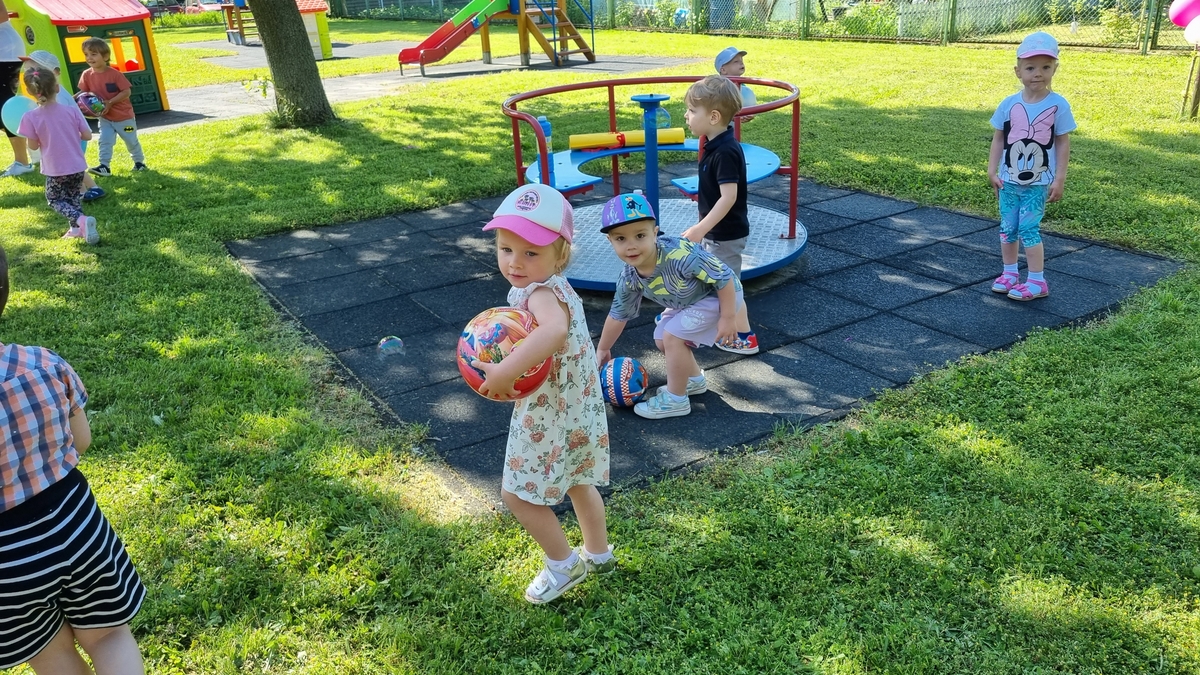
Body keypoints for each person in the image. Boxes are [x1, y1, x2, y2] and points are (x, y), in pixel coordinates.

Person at [0, 243, 149, 675]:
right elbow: (80, 440)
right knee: (109, 636)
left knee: (52, 654)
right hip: (77, 526)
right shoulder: (42, 364)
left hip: (8, 564)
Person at [471, 183, 615, 604]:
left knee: (516, 494)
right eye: (505, 249)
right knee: (578, 480)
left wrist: (505, 371)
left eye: (531, 253)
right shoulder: (548, 287)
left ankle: (563, 565)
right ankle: (598, 554)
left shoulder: (543, 294)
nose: (515, 262)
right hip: (575, 407)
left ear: (560, 255)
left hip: (550, 413)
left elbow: (553, 332)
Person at [596, 192, 744, 420]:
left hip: (719, 295)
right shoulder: (629, 277)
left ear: (655, 233)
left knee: (673, 336)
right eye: (621, 239)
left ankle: (676, 400)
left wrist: (728, 317)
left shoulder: (680, 255)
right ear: (610, 241)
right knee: (661, 337)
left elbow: (723, 277)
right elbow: (618, 314)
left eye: (640, 235)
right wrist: (603, 349)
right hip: (691, 300)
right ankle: (693, 380)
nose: (631, 246)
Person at [987, 31, 1075, 301]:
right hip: (1008, 180)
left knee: (1028, 229)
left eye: (1046, 67)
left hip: (1037, 183)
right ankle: (1010, 273)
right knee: (1007, 228)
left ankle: (1037, 281)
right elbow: (999, 138)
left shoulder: (1058, 106)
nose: (1038, 74)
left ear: (1055, 69)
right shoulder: (1008, 104)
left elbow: (1062, 143)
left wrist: (1059, 178)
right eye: (1030, 68)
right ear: (1018, 71)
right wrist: (992, 170)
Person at [680, 75, 758, 355]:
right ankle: (713, 327)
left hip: (725, 235)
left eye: (692, 110)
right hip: (718, 233)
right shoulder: (715, 145)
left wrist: (700, 228)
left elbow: (729, 197)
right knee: (718, 284)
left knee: (729, 289)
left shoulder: (724, 151)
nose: (686, 115)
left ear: (713, 117)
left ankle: (744, 336)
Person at [17, 67, 99, 243]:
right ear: (57, 87)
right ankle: (76, 230)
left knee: (54, 200)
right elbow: (87, 135)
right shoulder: (72, 111)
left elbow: (33, 146)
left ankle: (81, 220)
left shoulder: (30, 117)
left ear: (31, 92)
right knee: (73, 197)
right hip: (77, 165)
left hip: (56, 168)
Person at [19, 50, 106, 202]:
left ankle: (91, 189)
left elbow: (61, 121)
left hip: (70, 138)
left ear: (53, 72)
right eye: (29, 69)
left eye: (35, 69)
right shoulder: (54, 92)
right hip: (68, 138)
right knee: (73, 168)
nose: (32, 73)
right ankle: (83, 192)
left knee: (72, 167)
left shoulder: (58, 97)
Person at [78, 37, 146, 176]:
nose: (89, 58)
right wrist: (70, 100)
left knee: (131, 140)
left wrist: (110, 102)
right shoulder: (86, 74)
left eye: (93, 54)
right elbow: (83, 92)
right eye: (86, 54)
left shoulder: (115, 74)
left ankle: (139, 163)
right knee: (105, 141)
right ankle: (104, 166)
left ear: (105, 56)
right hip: (105, 118)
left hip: (124, 118)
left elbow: (126, 92)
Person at [0, 0, 33, 177]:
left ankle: (22, 162)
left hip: (6, 53)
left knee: (5, 107)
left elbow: (2, 15)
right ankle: (33, 152)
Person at [714, 46, 756, 112]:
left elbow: (751, 110)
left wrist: (749, 114)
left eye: (741, 60)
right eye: (736, 61)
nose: (741, 63)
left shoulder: (743, 89)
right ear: (723, 70)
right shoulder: (718, 90)